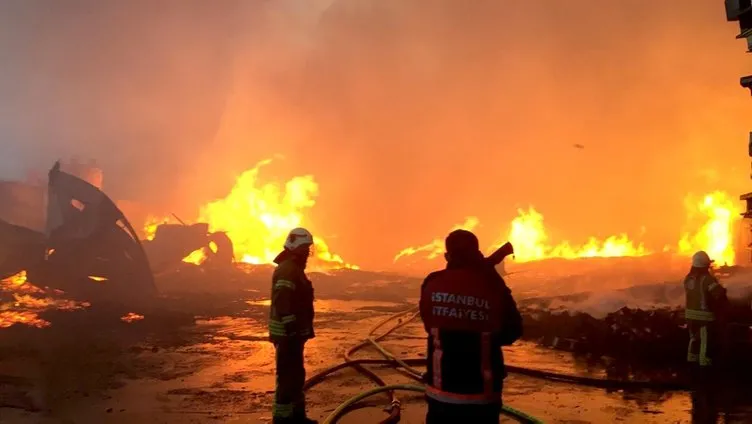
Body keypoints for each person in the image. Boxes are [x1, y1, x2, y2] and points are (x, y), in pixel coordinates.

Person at [419, 229, 522, 424]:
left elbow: (429, 325)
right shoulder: (492, 285)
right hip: (482, 398)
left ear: (447, 255)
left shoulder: (431, 283)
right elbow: (513, 331)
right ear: (477, 253)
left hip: (441, 395)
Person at [269, 227, 317, 424]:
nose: (307, 253)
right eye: (304, 248)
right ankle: (282, 420)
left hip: (294, 335)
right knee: (288, 378)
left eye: (308, 249)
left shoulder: (294, 268)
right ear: (294, 247)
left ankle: (297, 417)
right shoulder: (287, 269)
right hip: (288, 335)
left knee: (296, 377)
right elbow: (283, 300)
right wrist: (291, 325)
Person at [684, 250, 728, 368]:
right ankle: (705, 369)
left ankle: (691, 365)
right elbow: (718, 295)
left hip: (689, 316)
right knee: (705, 344)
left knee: (694, 340)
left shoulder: (688, 278)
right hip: (704, 318)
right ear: (705, 266)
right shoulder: (707, 279)